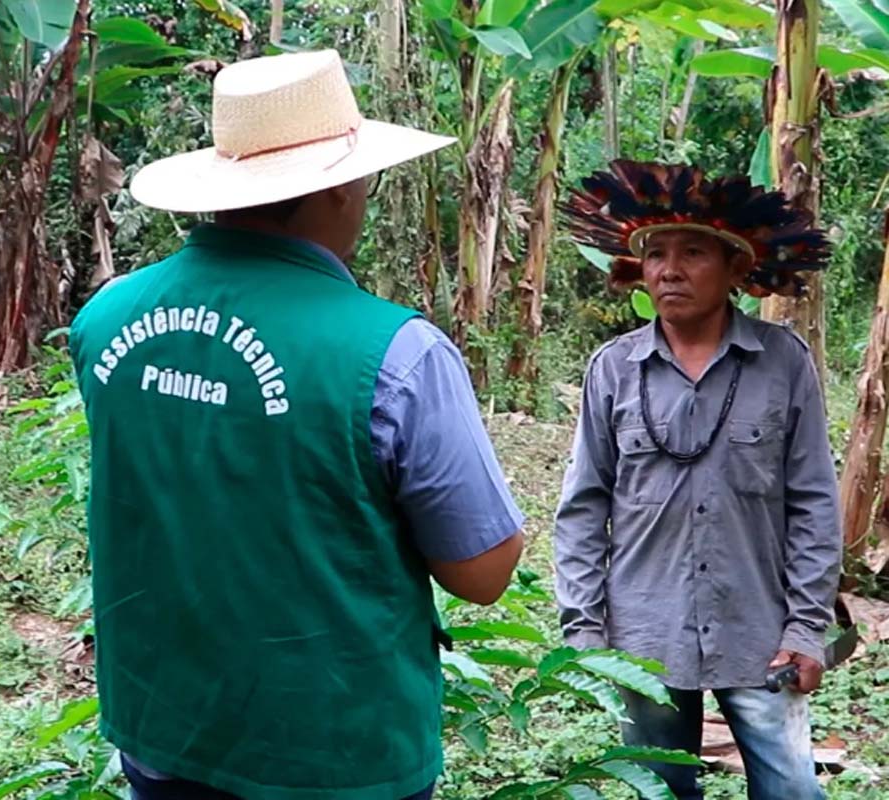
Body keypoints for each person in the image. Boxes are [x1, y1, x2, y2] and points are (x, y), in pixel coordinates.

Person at [69, 49, 525, 800]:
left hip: (163, 728)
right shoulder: (396, 355)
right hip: (336, 750)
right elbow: (482, 573)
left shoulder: (107, 319)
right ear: (342, 186)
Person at [555, 161, 842, 800]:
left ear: (736, 270)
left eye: (692, 252)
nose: (669, 270)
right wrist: (584, 631)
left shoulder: (783, 363)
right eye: (655, 255)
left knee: (792, 790)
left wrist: (805, 629)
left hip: (759, 632)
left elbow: (814, 503)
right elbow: (581, 509)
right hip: (643, 634)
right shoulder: (613, 369)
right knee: (658, 790)